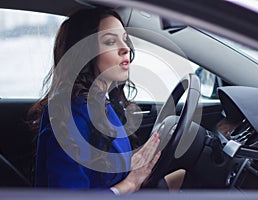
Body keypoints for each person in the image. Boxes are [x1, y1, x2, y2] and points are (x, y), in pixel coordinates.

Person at [28, 7, 184, 195]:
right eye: (110, 41)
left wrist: (130, 165)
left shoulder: (100, 104)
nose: (125, 48)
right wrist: (128, 185)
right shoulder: (69, 116)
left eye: (125, 39)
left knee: (187, 176)